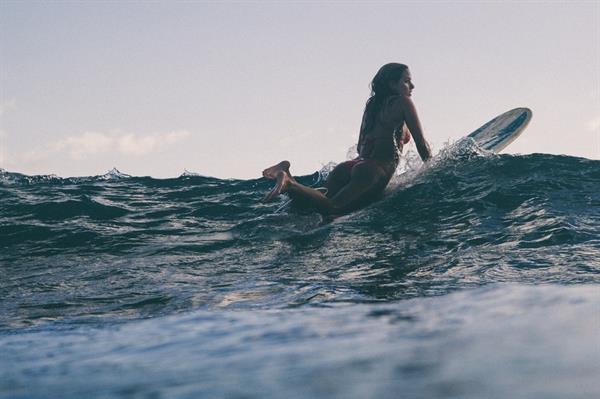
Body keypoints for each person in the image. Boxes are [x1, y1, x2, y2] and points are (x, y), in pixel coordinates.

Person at [262, 63, 432, 215]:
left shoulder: (372, 105)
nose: (412, 86)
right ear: (392, 84)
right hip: (374, 170)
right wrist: (433, 171)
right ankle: (289, 183)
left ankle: (287, 174)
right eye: (406, 81)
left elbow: (360, 146)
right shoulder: (404, 102)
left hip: (351, 166)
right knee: (333, 208)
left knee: (313, 204)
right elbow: (421, 144)